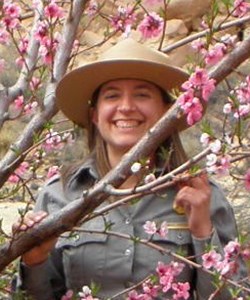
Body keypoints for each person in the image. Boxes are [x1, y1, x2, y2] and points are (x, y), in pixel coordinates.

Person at [12, 38, 248, 299]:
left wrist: (203, 232)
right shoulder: (58, 195)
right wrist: (33, 260)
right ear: (95, 114)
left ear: (167, 111)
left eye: (142, 95)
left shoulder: (202, 195)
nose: (125, 107)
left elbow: (232, 295)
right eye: (112, 95)